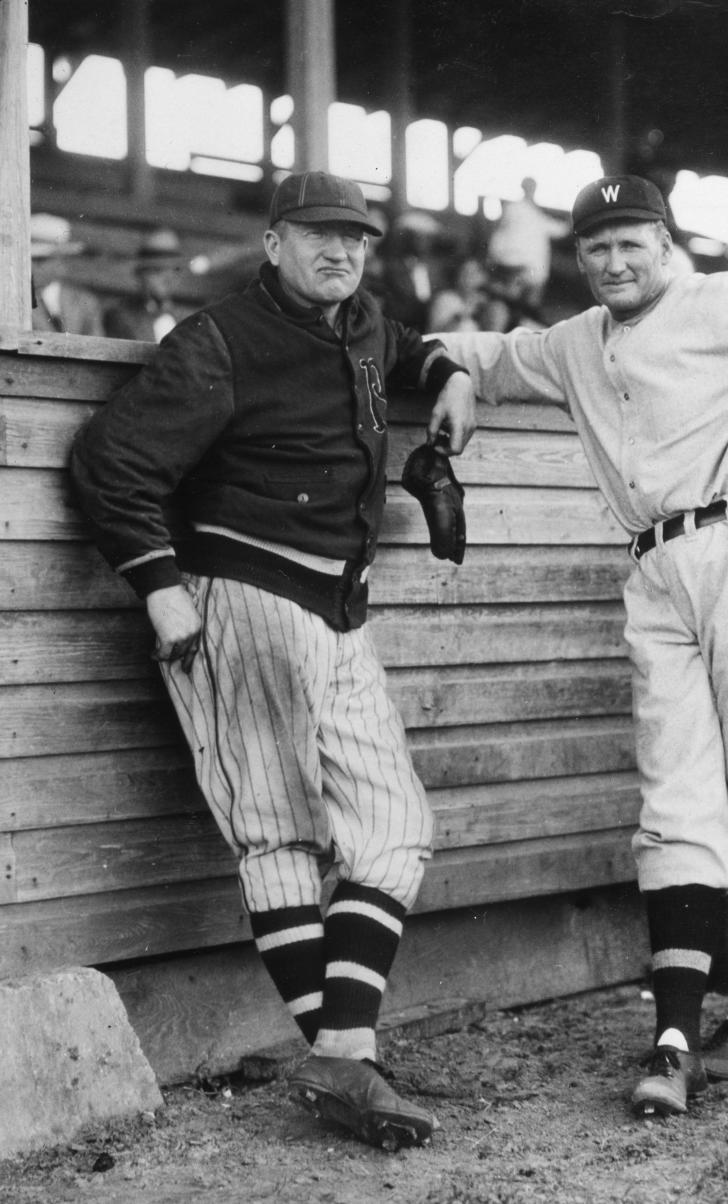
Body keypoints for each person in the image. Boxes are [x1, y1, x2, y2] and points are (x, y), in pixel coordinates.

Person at [435, 175, 728, 1118]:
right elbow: (484, 350)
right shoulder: (574, 342)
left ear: (665, 242)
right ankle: (678, 1035)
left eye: (632, 242)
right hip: (654, 563)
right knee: (674, 795)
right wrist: (450, 372)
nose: (615, 261)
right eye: (597, 247)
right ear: (579, 258)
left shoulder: (724, 298)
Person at [70, 170, 476, 1149]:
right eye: (318, 235)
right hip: (239, 598)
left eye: (357, 238)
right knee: (279, 833)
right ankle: (342, 1055)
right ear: (273, 243)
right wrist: (159, 584)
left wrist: (451, 373)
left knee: (394, 825)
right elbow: (108, 460)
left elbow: (407, 350)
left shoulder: (365, 321)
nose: (340, 252)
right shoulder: (220, 339)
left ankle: (341, 1049)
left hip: (337, 609)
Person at [486, 176, 568, 310]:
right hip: (517, 264)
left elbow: (556, 229)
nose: (531, 190)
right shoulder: (514, 208)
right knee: (510, 302)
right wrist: (495, 255)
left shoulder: (535, 212)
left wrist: (569, 224)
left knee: (530, 306)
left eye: (533, 187)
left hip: (536, 270)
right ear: (523, 188)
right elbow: (501, 232)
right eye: (528, 187)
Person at [103, 227, 195, 343]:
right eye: (157, 271)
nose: (167, 279)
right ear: (140, 274)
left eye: (174, 270)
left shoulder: (187, 319)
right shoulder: (121, 316)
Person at [30, 213, 105, 336]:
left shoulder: (84, 302)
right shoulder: (14, 303)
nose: (31, 266)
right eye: (28, 259)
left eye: (41, 260)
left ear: (62, 260)